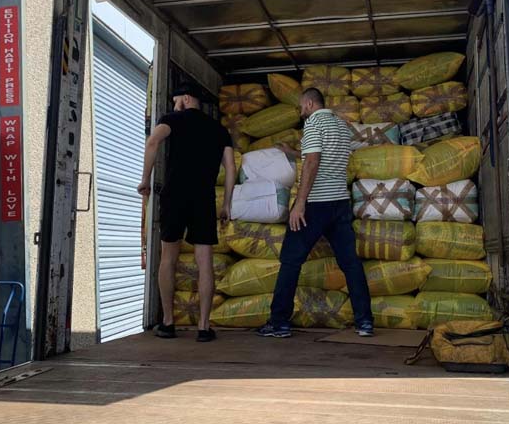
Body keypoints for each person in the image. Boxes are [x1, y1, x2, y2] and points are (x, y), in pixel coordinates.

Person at [257, 88, 374, 338]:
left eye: (302, 106)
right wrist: (293, 153)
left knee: (291, 260)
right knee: (350, 263)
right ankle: (364, 321)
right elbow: (322, 156)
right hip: (340, 203)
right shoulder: (342, 126)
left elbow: (313, 161)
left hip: (315, 204)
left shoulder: (313, 124)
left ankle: (279, 322)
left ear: (310, 104)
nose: (301, 111)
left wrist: (300, 203)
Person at [138, 81, 235, 343]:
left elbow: (152, 142)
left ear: (186, 98)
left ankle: (168, 323)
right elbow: (230, 168)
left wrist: (145, 180)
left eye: (176, 100)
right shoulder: (219, 130)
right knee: (205, 261)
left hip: (174, 195)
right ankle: (204, 327)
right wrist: (227, 203)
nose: (174, 105)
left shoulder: (172, 119)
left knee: (168, 257)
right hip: (203, 199)